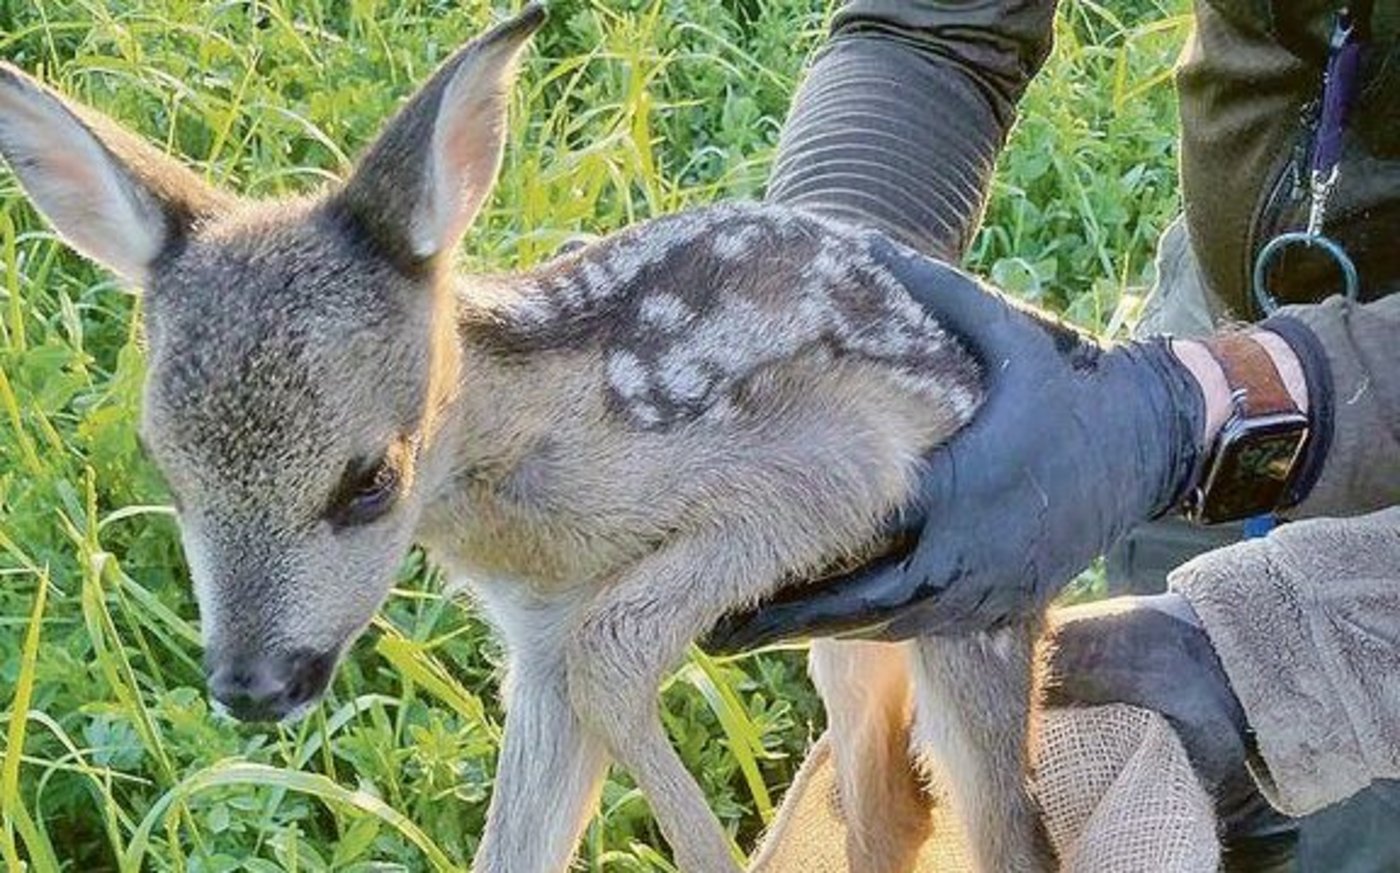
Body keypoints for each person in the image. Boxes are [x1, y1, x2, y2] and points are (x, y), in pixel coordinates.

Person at [713, 1, 1400, 869]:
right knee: (1147, 725)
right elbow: (932, 29)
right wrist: (831, 315)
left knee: (1354, 812)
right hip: (1219, 315)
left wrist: (1196, 414)